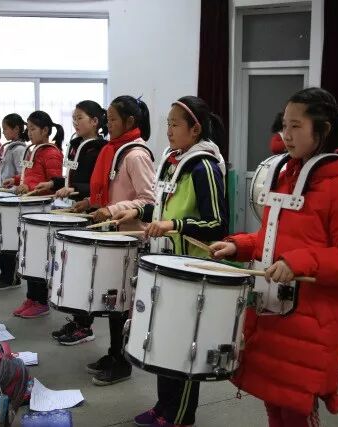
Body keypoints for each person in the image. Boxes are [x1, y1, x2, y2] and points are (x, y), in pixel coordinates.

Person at [210, 87, 338, 426]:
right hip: (271, 314)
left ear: (324, 129)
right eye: (284, 125)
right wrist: (241, 246)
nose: (285, 135)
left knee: (297, 410)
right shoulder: (287, 177)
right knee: (274, 403)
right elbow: (275, 238)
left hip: (310, 324)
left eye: (296, 126)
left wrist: (300, 261)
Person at [114, 96, 228, 427]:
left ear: (195, 129)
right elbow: (161, 208)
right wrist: (136, 211)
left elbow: (216, 223)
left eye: (175, 124)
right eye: (167, 123)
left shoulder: (204, 166)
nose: (169, 130)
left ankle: (181, 415)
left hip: (191, 270)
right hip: (165, 263)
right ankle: (164, 406)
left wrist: (173, 225)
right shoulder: (172, 161)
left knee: (183, 344)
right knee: (162, 339)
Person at [72, 95, 155, 386]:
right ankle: (114, 353)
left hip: (132, 237)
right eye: (107, 119)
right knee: (112, 301)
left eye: (113, 119)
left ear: (130, 121)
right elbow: (113, 191)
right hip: (115, 237)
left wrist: (112, 209)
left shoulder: (136, 154)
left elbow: (148, 200)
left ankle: (122, 363)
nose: (108, 124)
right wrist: (90, 202)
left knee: (122, 304)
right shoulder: (114, 149)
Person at [43, 101, 108, 345]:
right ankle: (78, 321)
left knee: (85, 271)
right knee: (72, 269)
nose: (75, 122)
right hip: (74, 209)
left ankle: (85, 326)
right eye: (74, 118)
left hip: (91, 211)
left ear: (95, 121)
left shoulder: (100, 148)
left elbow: (98, 184)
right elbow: (70, 176)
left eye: (80, 117)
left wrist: (76, 190)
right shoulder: (75, 145)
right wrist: (55, 184)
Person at [1, 112, 64, 322]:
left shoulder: (51, 153)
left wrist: (30, 187)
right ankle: (31, 298)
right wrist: (16, 180)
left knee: (39, 257)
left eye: (33, 129)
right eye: (28, 128)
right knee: (28, 256)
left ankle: (41, 302)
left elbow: (55, 183)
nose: (29, 132)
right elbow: (29, 175)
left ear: (45, 131)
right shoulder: (31, 149)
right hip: (29, 209)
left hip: (42, 210)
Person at [0, 114, 28, 280]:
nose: (3, 132)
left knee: (9, 240)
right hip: (4, 198)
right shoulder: (10, 147)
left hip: (13, 200)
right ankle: (5, 275)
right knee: (1, 239)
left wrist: (13, 187)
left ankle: (10, 277)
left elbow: (22, 175)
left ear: (16, 129)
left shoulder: (19, 149)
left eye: (6, 129)